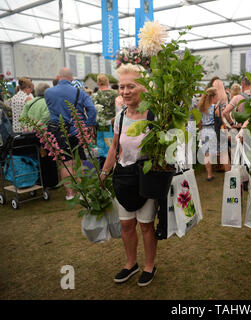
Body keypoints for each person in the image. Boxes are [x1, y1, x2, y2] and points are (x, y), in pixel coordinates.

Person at [100, 63, 158, 286]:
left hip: (146, 179)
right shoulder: (121, 117)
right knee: (126, 224)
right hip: (124, 178)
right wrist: (104, 174)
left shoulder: (154, 116)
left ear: (143, 87)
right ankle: (131, 263)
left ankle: (149, 266)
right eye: (121, 87)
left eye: (130, 86)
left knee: (146, 225)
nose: (124, 91)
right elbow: (114, 148)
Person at [44, 67, 97, 200]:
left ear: (58, 77)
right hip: (76, 131)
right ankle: (82, 193)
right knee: (80, 161)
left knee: (66, 164)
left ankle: (70, 194)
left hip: (57, 132)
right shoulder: (80, 92)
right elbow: (92, 109)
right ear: (72, 79)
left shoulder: (48, 92)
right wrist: (89, 124)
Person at [19, 83, 59, 188]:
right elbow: (46, 117)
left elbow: (22, 117)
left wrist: (28, 128)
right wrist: (37, 128)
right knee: (50, 159)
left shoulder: (29, 102)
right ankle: (51, 182)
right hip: (45, 134)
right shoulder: (48, 102)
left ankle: (39, 180)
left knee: (37, 158)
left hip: (31, 136)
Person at [198, 87, 224, 181]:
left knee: (207, 154)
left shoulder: (201, 107)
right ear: (213, 96)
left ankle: (209, 174)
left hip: (204, 130)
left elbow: (199, 121)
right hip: (212, 130)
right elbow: (219, 121)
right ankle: (223, 169)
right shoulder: (214, 108)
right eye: (216, 95)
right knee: (218, 152)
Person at [210, 77, 230, 172]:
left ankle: (221, 165)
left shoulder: (216, 99)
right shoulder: (226, 97)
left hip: (219, 123)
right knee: (223, 145)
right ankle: (223, 166)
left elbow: (219, 114)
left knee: (219, 145)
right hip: (225, 123)